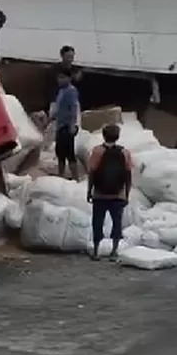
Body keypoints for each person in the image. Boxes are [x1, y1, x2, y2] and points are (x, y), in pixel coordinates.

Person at [87, 124, 133, 261]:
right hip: (118, 195)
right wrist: (126, 194)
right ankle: (114, 251)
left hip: (100, 194)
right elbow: (128, 175)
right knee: (117, 223)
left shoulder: (97, 151)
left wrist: (89, 191)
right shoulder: (125, 152)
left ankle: (96, 251)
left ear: (103, 135)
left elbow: (92, 173)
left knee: (97, 222)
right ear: (117, 136)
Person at [50, 68, 81, 180]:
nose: (60, 80)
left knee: (69, 152)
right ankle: (61, 175)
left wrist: (72, 125)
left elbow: (73, 109)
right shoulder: (61, 91)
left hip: (67, 126)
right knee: (60, 152)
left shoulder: (71, 91)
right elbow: (59, 107)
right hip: (60, 125)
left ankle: (75, 177)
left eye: (62, 77)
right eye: (58, 77)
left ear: (68, 78)